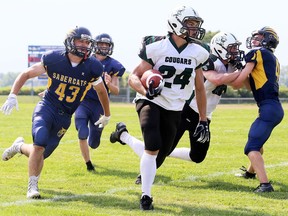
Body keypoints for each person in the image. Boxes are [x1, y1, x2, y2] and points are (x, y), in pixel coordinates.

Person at [110, 31, 245, 184]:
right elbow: (217, 79)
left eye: (235, 48)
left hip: (202, 113)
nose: (235, 52)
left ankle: (124, 136)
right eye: (232, 48)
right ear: (220, 48)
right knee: (157, 151)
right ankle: (131, 149)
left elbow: (237, 83)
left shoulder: (230, 66)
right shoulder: (209, 60)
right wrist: (243, 70)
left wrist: (246, 68)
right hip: (186, 108)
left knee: (197, 156)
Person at [1, 26, 111, 199]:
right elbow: (27, 73)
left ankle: (19, 147)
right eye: (80, 41)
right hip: (47, 107)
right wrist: (13, 95)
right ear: (70, 41)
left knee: (41, 153)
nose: (84, 45)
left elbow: (102, 91)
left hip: (65, 115)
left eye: (87, 42)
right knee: (40, 140)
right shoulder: (54, 59)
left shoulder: (93, 67)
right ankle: (32, 187)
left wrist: (107, 114)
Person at [124, 5, 210, 210]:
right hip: (151, 100)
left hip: (175, 107)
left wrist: (203, 119)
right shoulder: (157, 47)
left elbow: (199, 88)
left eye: (196, 25)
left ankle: (123, 135)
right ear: (175, 23)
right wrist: (146, 92)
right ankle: (146, 196)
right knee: (152, 145)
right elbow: (133, 77)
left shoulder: (198, 52)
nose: (193, 29)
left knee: (162, 151)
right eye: (190, 24)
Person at [229, 26, 283, 192]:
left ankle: (265, 185)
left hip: (268, 107)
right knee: (257, 143)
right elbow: (251, 86)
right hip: (272, 107)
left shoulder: (257, 52)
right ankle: (250, 174)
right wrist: (241, 70)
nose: (254, 40)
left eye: (259, 38)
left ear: (268, 40)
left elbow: (238, 84)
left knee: (251, 147)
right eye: (254, 37)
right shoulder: (270, 58)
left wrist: (228, 75)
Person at [75, 33, 125, 171]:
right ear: (95, 45)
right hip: (83, 102)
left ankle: (93, 141)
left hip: (100, 105)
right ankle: (88, 164)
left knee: (94, 143)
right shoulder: (84, 60)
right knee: (82, 131)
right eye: (101, 44)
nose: (104, 47)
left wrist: (108, 84)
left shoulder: (113, 65)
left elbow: (116, 91)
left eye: (106, 45)